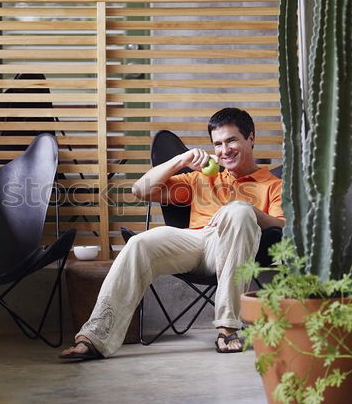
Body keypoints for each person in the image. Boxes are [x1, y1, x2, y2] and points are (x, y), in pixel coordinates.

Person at [60, 107, 284, 360]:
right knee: (139, 244)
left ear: (251, 138)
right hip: (194, 241)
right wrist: (182, 160)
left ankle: (228, 327)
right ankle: (94, 338)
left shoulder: (273, 184)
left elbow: (280, 226)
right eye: (218, 144)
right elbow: (140, 190)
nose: (224, 150)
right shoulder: (200, 178)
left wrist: (244, 209)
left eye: (232, 140)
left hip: (238, 244)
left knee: (240, 213)